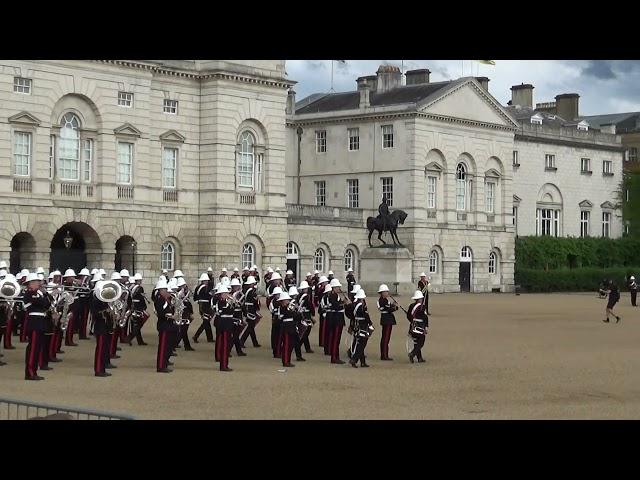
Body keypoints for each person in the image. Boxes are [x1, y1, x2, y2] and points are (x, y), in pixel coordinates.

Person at [23, 273, 51, 380]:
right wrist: (43, 299)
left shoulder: (39, 293)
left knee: (37, 348)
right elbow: (41, 303)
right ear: (30, 283)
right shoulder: (30, 293)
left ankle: (33, 371)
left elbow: (47, 303)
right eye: (36, 282)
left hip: (40, 322)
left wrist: (46, 295)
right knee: (33, 348)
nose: (39, 284)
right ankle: (30, 373)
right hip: (34, 322)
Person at [91, 277, 115, 377]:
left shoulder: (103, 300)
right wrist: (106, 311)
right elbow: (95, 314)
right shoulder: (95, 300)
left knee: (104, 348)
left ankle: (103, 368)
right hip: (100, 326)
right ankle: (98, 370)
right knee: (100, 349)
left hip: (105, 326)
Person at [154, 278, 177, 373]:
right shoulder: (159, 300)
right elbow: (161, 313)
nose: (167, 291)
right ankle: (160, 366)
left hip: (169, 325)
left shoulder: (166, 299)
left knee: (168, 346)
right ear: (161, 290)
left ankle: (165, 362)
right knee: (163, 346)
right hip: (164, 325)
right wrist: (172, 316)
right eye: (165, 290)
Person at [349, 289, 372, 368]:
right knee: (362, 343)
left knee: (360, 342)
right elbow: (366, 316)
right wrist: (370, 324)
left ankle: (362, 361)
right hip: (362, 325)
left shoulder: (353, 304)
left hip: (356, 324)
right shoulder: (361, 306)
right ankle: (354, 359)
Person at [327, 279, 348, 364]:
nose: (339, 288)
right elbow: (336, 306)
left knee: (336, 338)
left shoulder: (335, 295)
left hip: (337, 318)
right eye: (337, 287)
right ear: (334, 287)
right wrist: (344, 303)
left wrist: (343, 302)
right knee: (335, 339)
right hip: (336, 318)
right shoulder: (333, 295)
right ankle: (334, 357)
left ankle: (335, 355)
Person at [214, 284, 235, 372]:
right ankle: (223, 365)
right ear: (221, 294)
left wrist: (233, 304)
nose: (227, 294)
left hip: (228, 323)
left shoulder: (226, 301)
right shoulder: (220, 302)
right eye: (225, 293)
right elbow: (220, 312)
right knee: (225, 344)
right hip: (223, 323)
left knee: (227, 344)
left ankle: (225, 363)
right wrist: (229, 304)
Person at [126, 273, 149, 346]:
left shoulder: (131, 287)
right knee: (138, 325)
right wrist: (144, 307)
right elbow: (141, 299)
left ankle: (140, 341)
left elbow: (129, 298)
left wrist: (130, 306)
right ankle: (129, 337)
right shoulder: (139, 288)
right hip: (138, 308)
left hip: (133, 307)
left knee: (135, 325)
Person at [377, 284, 398, 361]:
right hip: (387, 319)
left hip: (387, 319)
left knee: (386, 338)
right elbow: (388, 309)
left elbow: (388, 307)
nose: (387, 293)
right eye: (385, 292)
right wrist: (395, 307)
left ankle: (384, 354)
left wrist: (393, 305)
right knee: (385, 338)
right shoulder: (382, 300)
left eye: (387, 291)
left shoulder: (385, 300)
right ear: (382, 293)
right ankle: (384, 355)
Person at [277, 292, 299, 368]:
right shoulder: (281, 308)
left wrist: (295, 310)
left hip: (292, 327)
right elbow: (281, 317)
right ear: (282, 301)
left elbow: (297, 316)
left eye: (288, 300)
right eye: (286, 300)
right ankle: (285, 361)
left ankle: (288, 360)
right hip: (286, 327)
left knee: (291, 345)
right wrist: (290, 310)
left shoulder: (290, 307)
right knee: (286, 345)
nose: (288, 301)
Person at [240, 275, 261, 348]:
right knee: (250, 326)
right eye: (253, 283)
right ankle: (241, 341)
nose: (254, 284)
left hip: (248, 308)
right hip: (250, 309)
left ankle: (255, 342)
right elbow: (255, 301)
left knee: (251, 327)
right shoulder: (251, 291)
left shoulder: (246, 290)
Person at [407, 291, 428, 363]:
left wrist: (412, 321)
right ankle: (412, 354)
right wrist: (426, 327)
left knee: (416, 342)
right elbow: (425, 318)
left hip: (412, 325)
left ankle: (419, 358)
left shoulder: (411, 306)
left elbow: (408, 316)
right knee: (421, 341)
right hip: (419, 326)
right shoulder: (422, 306)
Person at [193, 273, 214, 343]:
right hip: (205, 306)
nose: (207, 282)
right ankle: (196, 336)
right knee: (206, 322)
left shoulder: (198, 287)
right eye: (206, 280)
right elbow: (209, 296)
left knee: (206, 322)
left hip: (202, 305)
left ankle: (210, 337)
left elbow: (195, 297)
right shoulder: (205, 288)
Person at [228, 278, 246, 357]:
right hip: (233, 315)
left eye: (237, 286)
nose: (236, 287)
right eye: (234, 286)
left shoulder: (240, 294)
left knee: (236, 334)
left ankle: (239, 350)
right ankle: (228, 350)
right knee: (234, 334)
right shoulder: (230, 294)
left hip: (239, 314)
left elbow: (243, 305)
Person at [297, 281, 315, 354]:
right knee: (306, 332)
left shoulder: (299, 296)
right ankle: (298, 346)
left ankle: (307, 348)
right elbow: (310, 306)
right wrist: (312, 313)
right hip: (306, 315)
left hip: (302, 314)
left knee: (305, 332)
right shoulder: (306, 296)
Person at [314, 276, 329, 348]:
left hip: (323, 308)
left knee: (324, 326)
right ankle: (322, 341)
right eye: (326, 282)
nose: (327, 283)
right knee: (323, 327)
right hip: (323, 308)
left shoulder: (322, 289)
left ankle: (322, 341)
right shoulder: (322, 290)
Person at [269, 286, 284, 358]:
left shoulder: (279, 302)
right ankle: (277, 352)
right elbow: (272, 310)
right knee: (276, 337)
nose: (278, 296)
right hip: (276, 320)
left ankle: (278, 351)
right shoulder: (274, 302)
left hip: (278, 320)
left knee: (278, 337)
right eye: (277, 294)